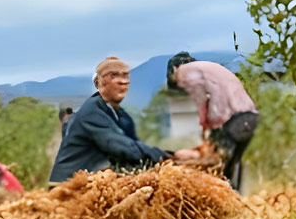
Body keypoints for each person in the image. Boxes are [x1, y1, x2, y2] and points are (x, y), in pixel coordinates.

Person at [47, 55, 202, 184]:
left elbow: (131, 148)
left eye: (125, 77)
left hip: (90, 179)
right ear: (98, 84)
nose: (122, 82)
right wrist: (170, 156)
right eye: (113, 76)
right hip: (68, 186)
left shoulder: (117, 114)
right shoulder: (92, 111)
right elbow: (121, 146)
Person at [167, 52, 259, 190]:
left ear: (173, 69)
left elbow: (201, 101)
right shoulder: (205, 69)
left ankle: (225, 196)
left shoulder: (182, 73)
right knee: (235, 161)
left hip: (236, 119)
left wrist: (204, 126)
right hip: (251, 116)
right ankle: (236, 194)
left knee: (220, 162)